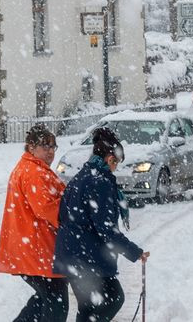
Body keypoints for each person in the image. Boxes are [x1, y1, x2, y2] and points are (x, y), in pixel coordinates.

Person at [53, 127, 149, 322]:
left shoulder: (83, 176)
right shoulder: (100, 182)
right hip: (87, 259)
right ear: (110, 158)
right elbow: (106, 229)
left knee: (88, 308)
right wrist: (133, 251)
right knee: (114, 298)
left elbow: (63, 214)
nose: (116, 167)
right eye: (116, 162)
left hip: (73, 254)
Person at [0, 124, 68, 322]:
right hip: (38, 251)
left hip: (30, 249)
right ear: (31, 147)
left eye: (53, 147)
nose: (51, 152)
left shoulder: (31, 168)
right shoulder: (34, 172)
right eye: (45, 146)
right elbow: (47, 209)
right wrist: (74, 218)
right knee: (56, 304)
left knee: (44, 300)